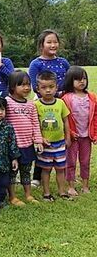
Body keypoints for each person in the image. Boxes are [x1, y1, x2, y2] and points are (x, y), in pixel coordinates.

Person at [28, 29, 70, 187]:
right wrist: (47, 96)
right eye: (49, 42)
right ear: (41, 45)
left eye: (55, 42)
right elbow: (34, 84)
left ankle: (64, 172)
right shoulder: (36, 64)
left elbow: (69, 80)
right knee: (43, 137)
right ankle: (37, 176)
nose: (53, 45)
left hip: (61, 103)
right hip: (42, 104)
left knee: (59, 135)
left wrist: (59, 95)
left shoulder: (63, 62)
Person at [5, 70, 43, 206]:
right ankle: (13, 197)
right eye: (22, 85)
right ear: (12, 87)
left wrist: (38, 140)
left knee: (26, 171)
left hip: (27, 145)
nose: (26, 88)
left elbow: (35, 123)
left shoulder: (31, 104)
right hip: (13, 146)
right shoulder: (7, 102)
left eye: (28, 84)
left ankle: (28, 194)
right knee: (12, 173)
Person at [34, 70, 72, 201]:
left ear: (57, 87)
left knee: (61, 169)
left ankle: (62, 192)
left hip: (60, 143)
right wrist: (40, 139)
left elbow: (66, 121)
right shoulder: (36, 105)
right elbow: (35, 124)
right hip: (45, 145)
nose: (48, 90)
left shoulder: (60, 103)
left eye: (51, 87)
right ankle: (46, 193)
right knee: (46, 169)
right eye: (44, 88)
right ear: (38, 89)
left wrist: (68, 137)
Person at [62, 66, 97, 196]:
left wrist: (94, 133)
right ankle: (70, 186)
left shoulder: (92, 97)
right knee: (70, 161)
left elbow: (95, 117)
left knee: (85, 161)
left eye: (84, 78)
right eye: (77, 79)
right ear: (70, 81)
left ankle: (85, 185)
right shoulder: (66, 98)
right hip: (72, 137)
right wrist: (69, 133)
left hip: (87, 136)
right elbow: (64, 119)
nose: (82, 81)